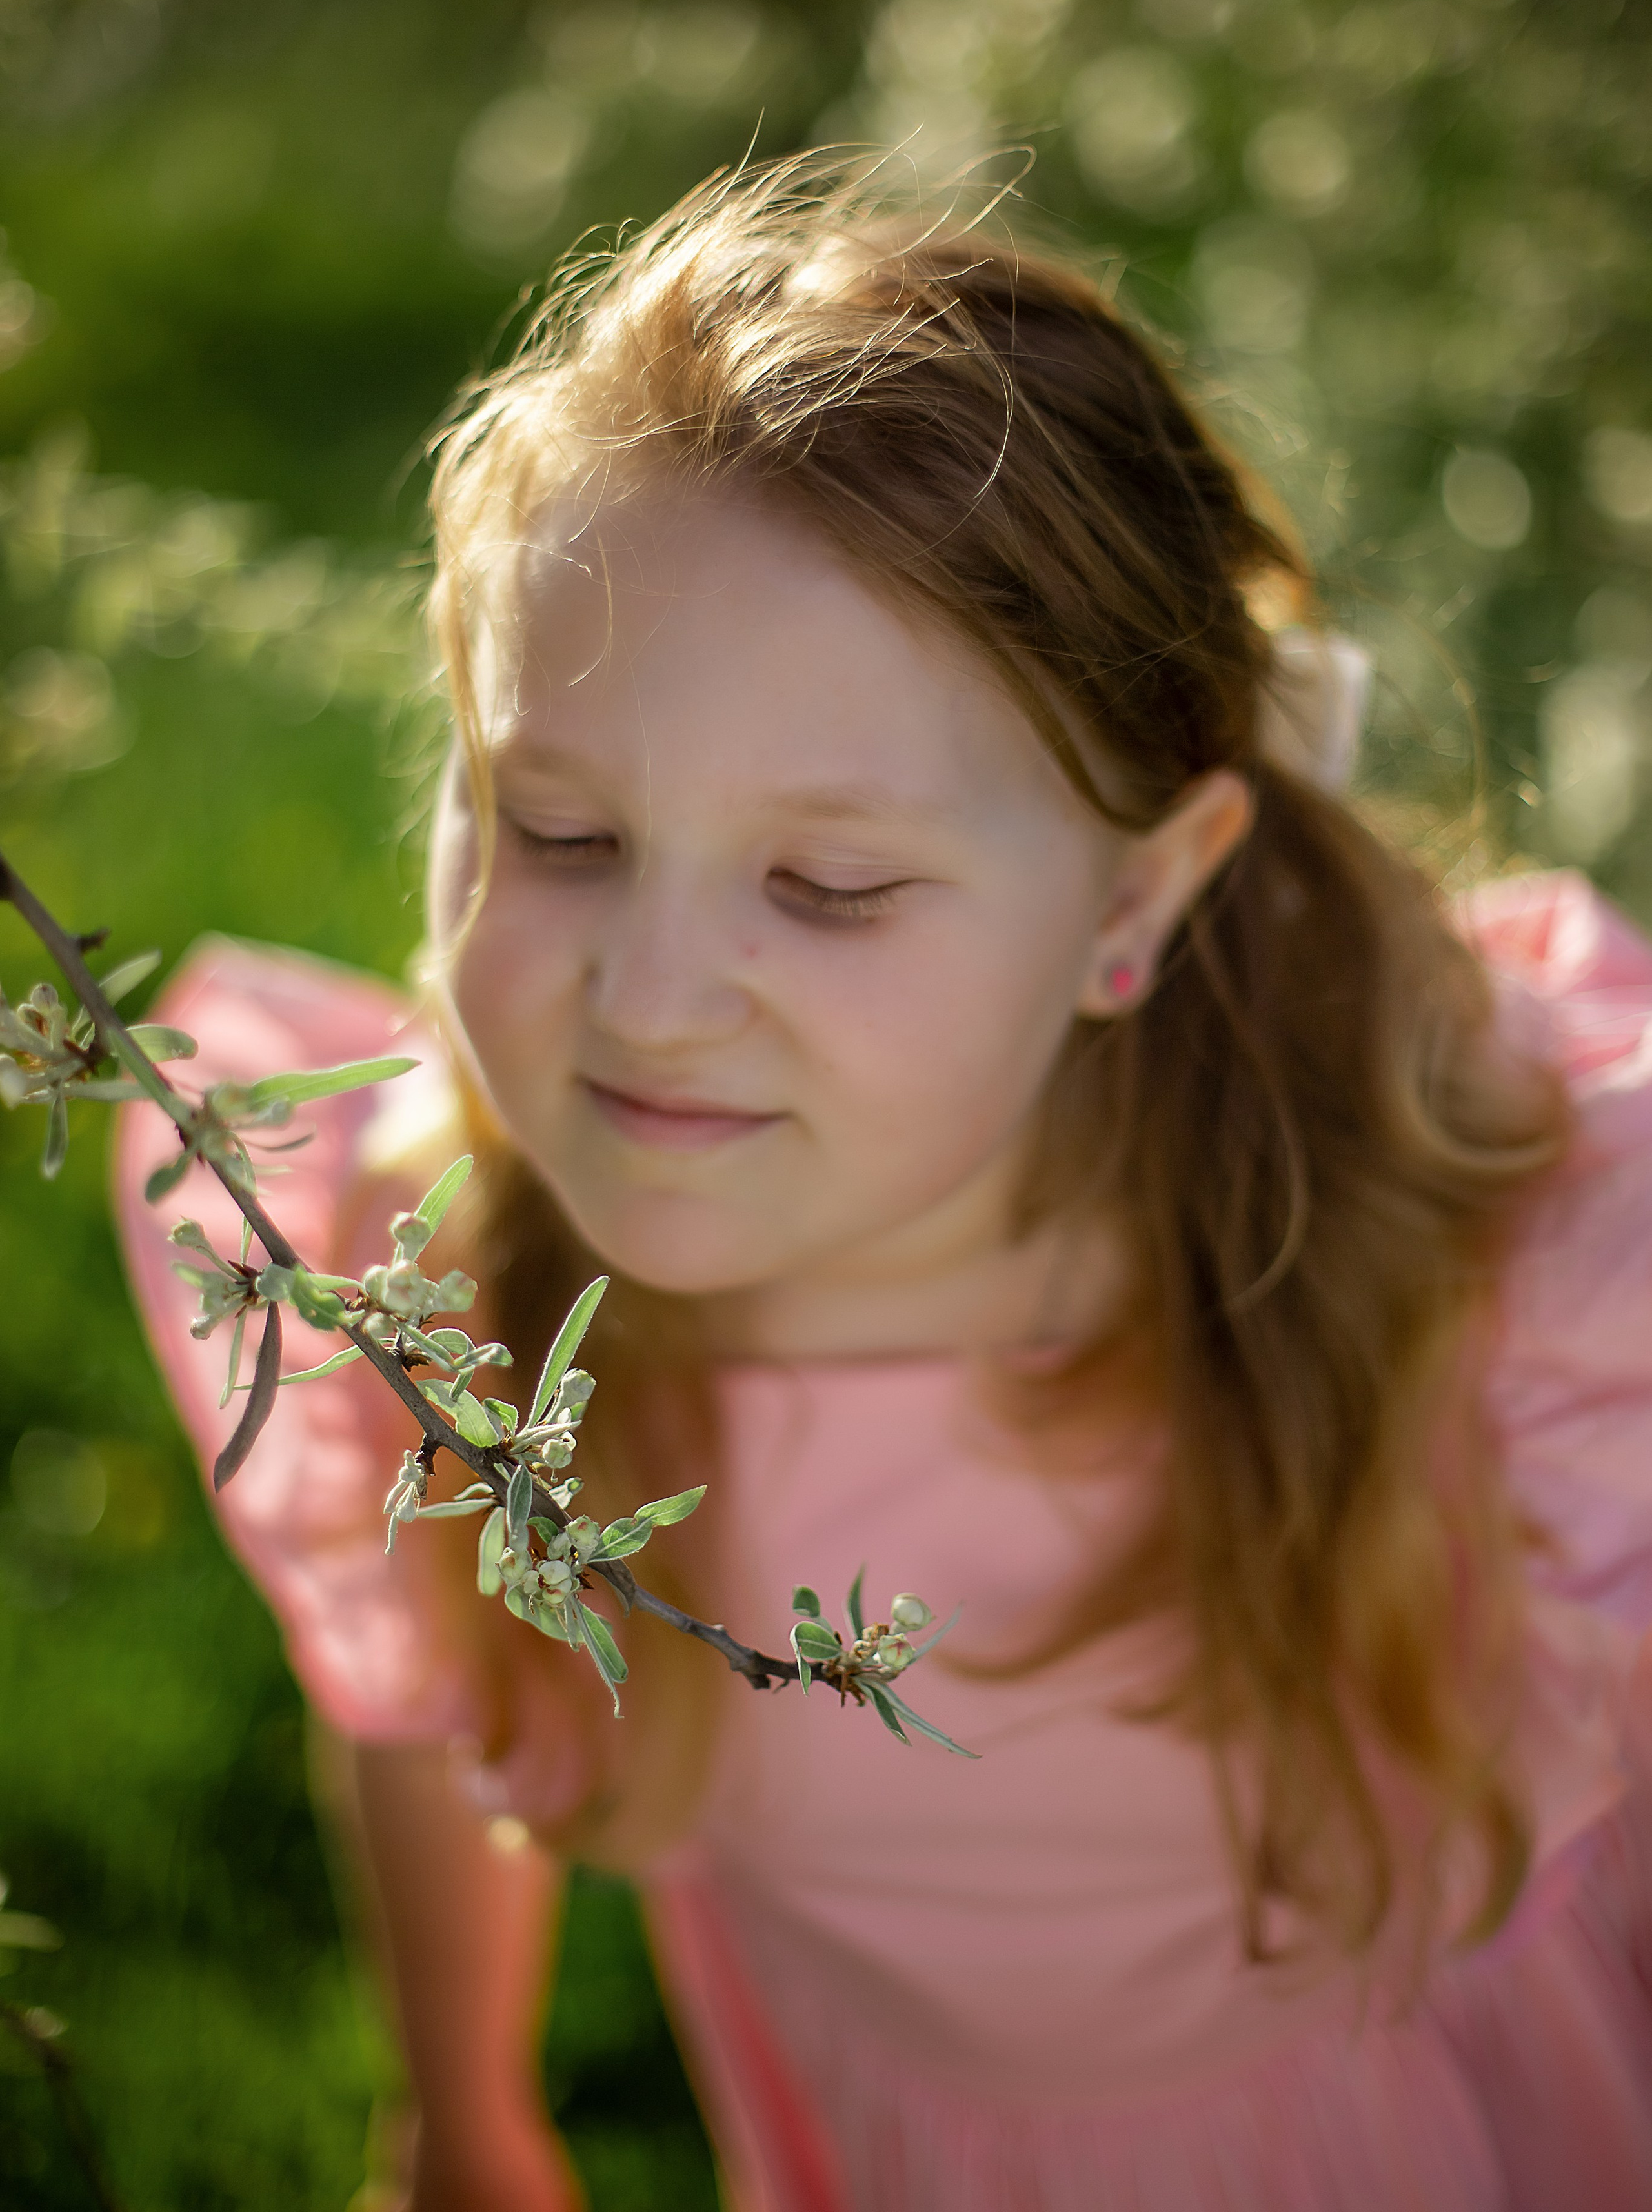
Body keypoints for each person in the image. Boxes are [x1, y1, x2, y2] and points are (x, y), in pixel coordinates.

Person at [116, 162, 1652, 2212]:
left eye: (828, 888)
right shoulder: (449, 1284)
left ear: (1137, 899)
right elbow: (426, 1700)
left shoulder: (1468, 1260)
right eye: (555, 833)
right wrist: (465, 2104)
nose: (652, 1003)